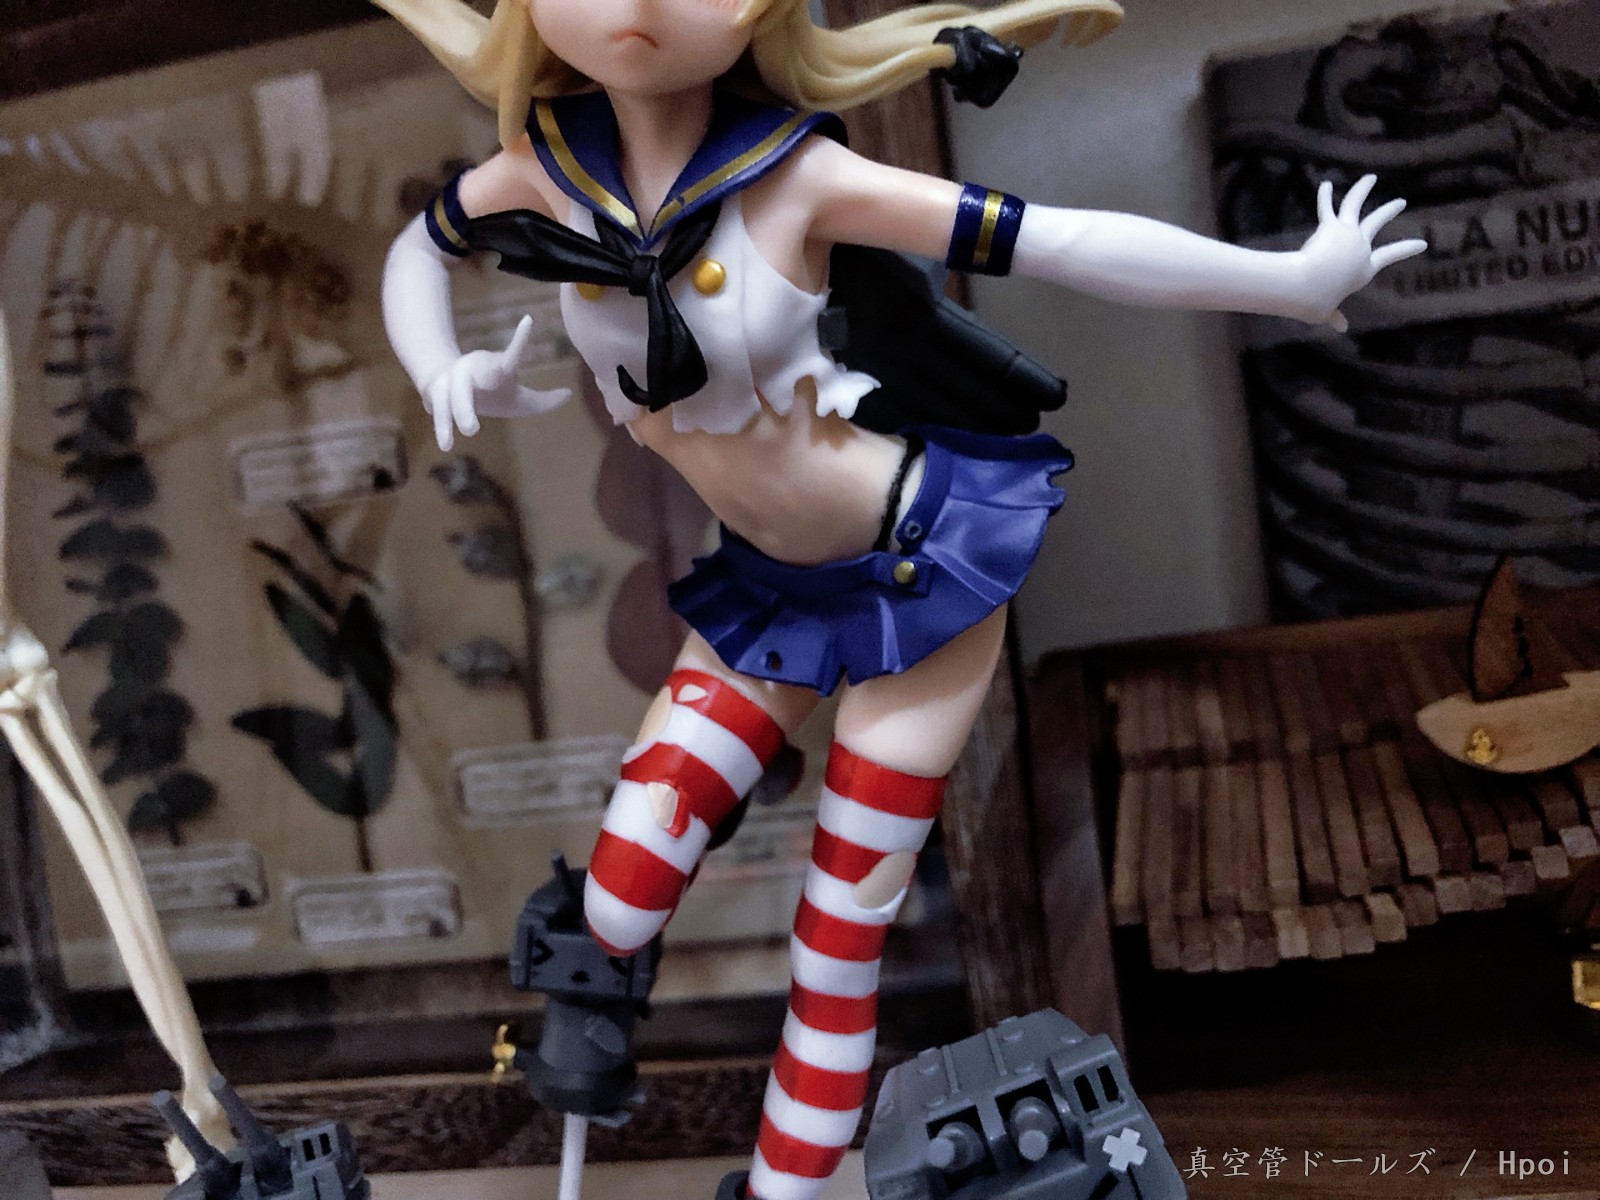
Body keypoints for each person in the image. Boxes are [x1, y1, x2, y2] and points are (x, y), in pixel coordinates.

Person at [374, 2, 1424, 1197]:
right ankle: (591, 1028)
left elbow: (1053, 241)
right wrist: (440, 365)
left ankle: (782, 1190)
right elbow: (418, 250)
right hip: (768, 591)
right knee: (619, 890)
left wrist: (1284, 282)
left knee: (837, 931)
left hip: (917, 574)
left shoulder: (799, 178)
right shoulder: (546, 177)